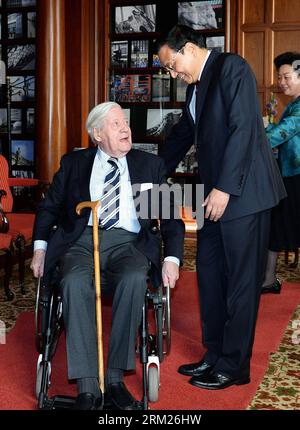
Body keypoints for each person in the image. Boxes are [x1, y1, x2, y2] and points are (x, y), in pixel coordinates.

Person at [30, 101, 185, 410]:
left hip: (129, 243)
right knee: (73, 281)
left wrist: (172, 259)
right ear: (96, 133)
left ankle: (114, 379)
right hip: (81, 241)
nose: (125, 128)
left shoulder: (148, 165)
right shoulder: (74, 164)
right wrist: (40, 249)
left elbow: (170, 218)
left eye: (124, 122)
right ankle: (88, 386)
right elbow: (48, 209)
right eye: (115, 124)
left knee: (133, 278)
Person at [157, 25, 286, 390]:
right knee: (211, 277)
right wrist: (147, 174)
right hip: (213, 197)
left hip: (243, 195)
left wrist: (225, 188)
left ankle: (235, 366)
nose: (173, 74)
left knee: (241, 283)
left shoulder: (233, 68)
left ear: (190, 48)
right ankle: (214, 354)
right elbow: (184, 134)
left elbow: (244, 129)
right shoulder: (196, 89)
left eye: (172, 65)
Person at [262, 52, 300, 294]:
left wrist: (257, 133)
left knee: (279, 226)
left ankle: (267, 279)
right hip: (289, 175)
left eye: (286, 76)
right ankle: (268, 280)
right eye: (279, 76)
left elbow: (281, 134)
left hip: (296, 175)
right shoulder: (293, 103)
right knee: (276, 226)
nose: (281, 82)